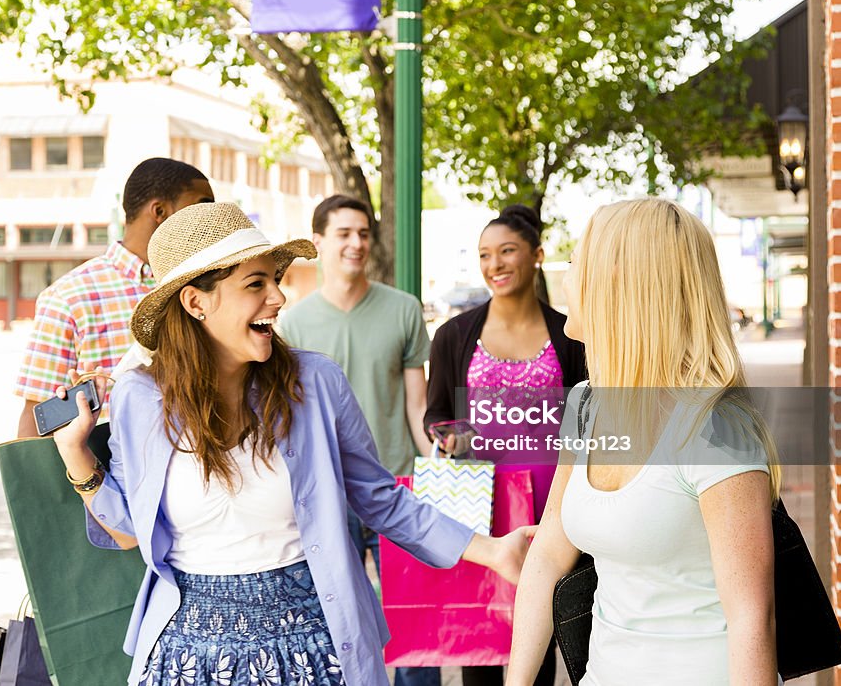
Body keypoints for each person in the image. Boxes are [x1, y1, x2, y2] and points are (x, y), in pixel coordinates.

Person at [50, 202, 531, 686]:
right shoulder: (141, 396)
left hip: (315, 645)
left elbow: (380, 499)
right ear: (197, 302)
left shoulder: (315, 382)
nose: (278, 297)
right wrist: (76, 453)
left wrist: (491, 551)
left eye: (275, 279)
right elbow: (133, 530)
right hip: (186, 655)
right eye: (255, 284)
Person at [506, 197, 779, 685]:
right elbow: (548, 553)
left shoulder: (715, 428)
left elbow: (751, 620)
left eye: (575, 265)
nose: (565, 281)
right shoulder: (587, 404)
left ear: (620, 285)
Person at [278, 194, 439, 686]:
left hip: (396, 486)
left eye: (364, 233)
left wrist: (435, 466)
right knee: (340, 626)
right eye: (345, 233)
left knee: (415, 629)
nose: (357, 243)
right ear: (319, 243)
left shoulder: (404, 309)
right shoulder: (292, 323)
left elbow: (417, 406)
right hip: (326, 495)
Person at [425, 204, 585, 686]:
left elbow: (589, 418)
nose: (494, 264)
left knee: (540, 635)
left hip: (550, 513)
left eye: (507, 251)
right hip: (482, 508)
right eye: (484, 255)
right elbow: (437, 416)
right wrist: (453, 437)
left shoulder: (570, 335)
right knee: (479, 639)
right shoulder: (454, 335)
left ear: (536, 255)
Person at [14, 157, 214, 438]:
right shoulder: (69, 297)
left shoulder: (209, 285)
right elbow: (36, 423)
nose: (210, 219)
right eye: (202, 206)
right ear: (160, 210)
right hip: (107, 476)